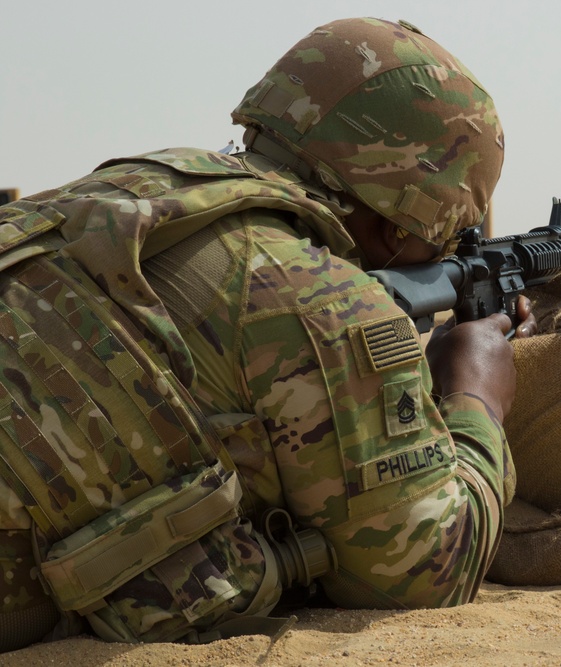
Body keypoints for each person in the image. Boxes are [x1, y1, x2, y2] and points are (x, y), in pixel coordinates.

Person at [0, 17, 532, 650]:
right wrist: (477, 397)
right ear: (403, 227)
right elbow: (421, 573)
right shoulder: (322, 298)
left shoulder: (127, 193)